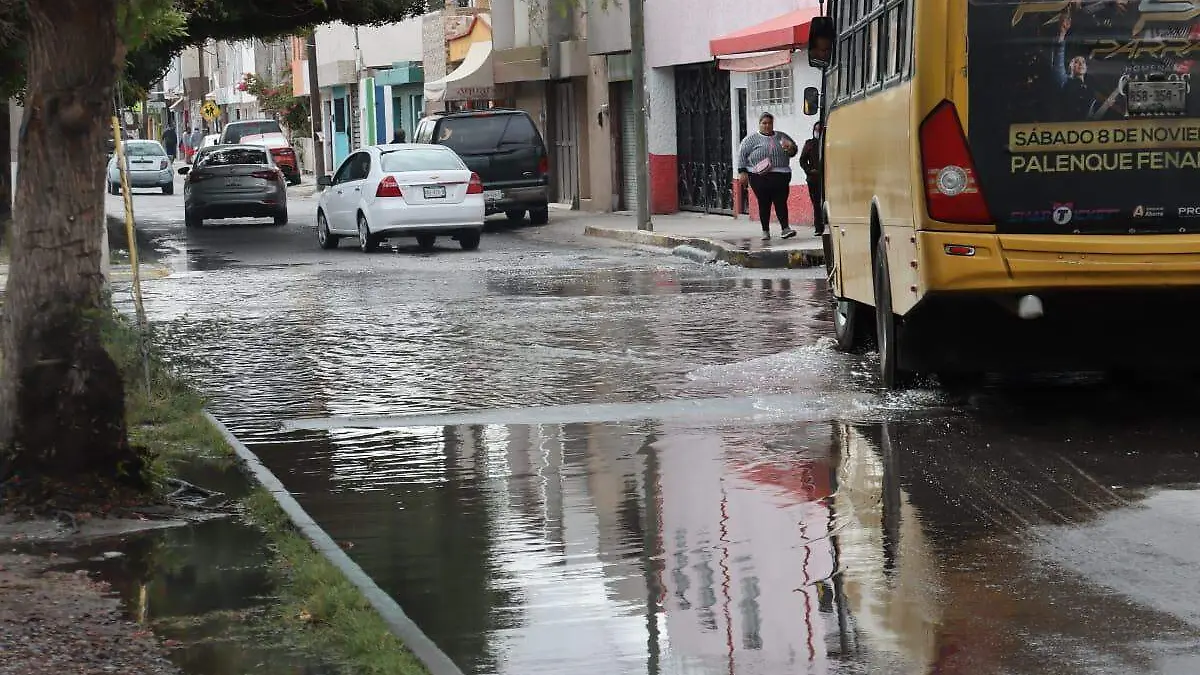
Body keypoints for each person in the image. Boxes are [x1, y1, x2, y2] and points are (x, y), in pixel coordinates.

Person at [737, 112, 799, 241]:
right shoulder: (751, 139)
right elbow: (742, 155)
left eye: (769, 123)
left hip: (781, 175)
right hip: (759, 176)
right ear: (759, 124)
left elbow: (793, 151)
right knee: (764, 202)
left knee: (781, 202)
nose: (767, 126)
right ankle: (765, 230)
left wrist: (791, 148)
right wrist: (742, 172)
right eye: (764, 123)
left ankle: (785, 228)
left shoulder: (782, 136)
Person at [1053, 14, 1099, 120]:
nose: (1081, 64)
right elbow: (1059, 58)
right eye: (1077, 62)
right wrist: (1062, 34)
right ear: (1070, 65)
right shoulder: (1064, 81)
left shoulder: (1091, 86)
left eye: (1083, 62)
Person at [799, 122, 825, 236]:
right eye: (816, 130)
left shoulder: (827, 143)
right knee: (816, 203)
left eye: (820, 130)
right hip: (814, 179)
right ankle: (818, 227)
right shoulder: (809, 144)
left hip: (827, 178)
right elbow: (802, 160)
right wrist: (810, 170)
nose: (818, 132)